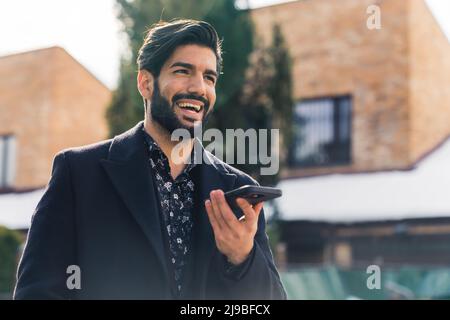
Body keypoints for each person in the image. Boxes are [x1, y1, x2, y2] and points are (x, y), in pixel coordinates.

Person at [14, 19, 287, 300]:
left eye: (209, 77)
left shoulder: (237, 189)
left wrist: (243, 258)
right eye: (183, 71)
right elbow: (37, 291)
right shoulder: (79, 174)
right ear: (145, 83)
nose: (199, 88)